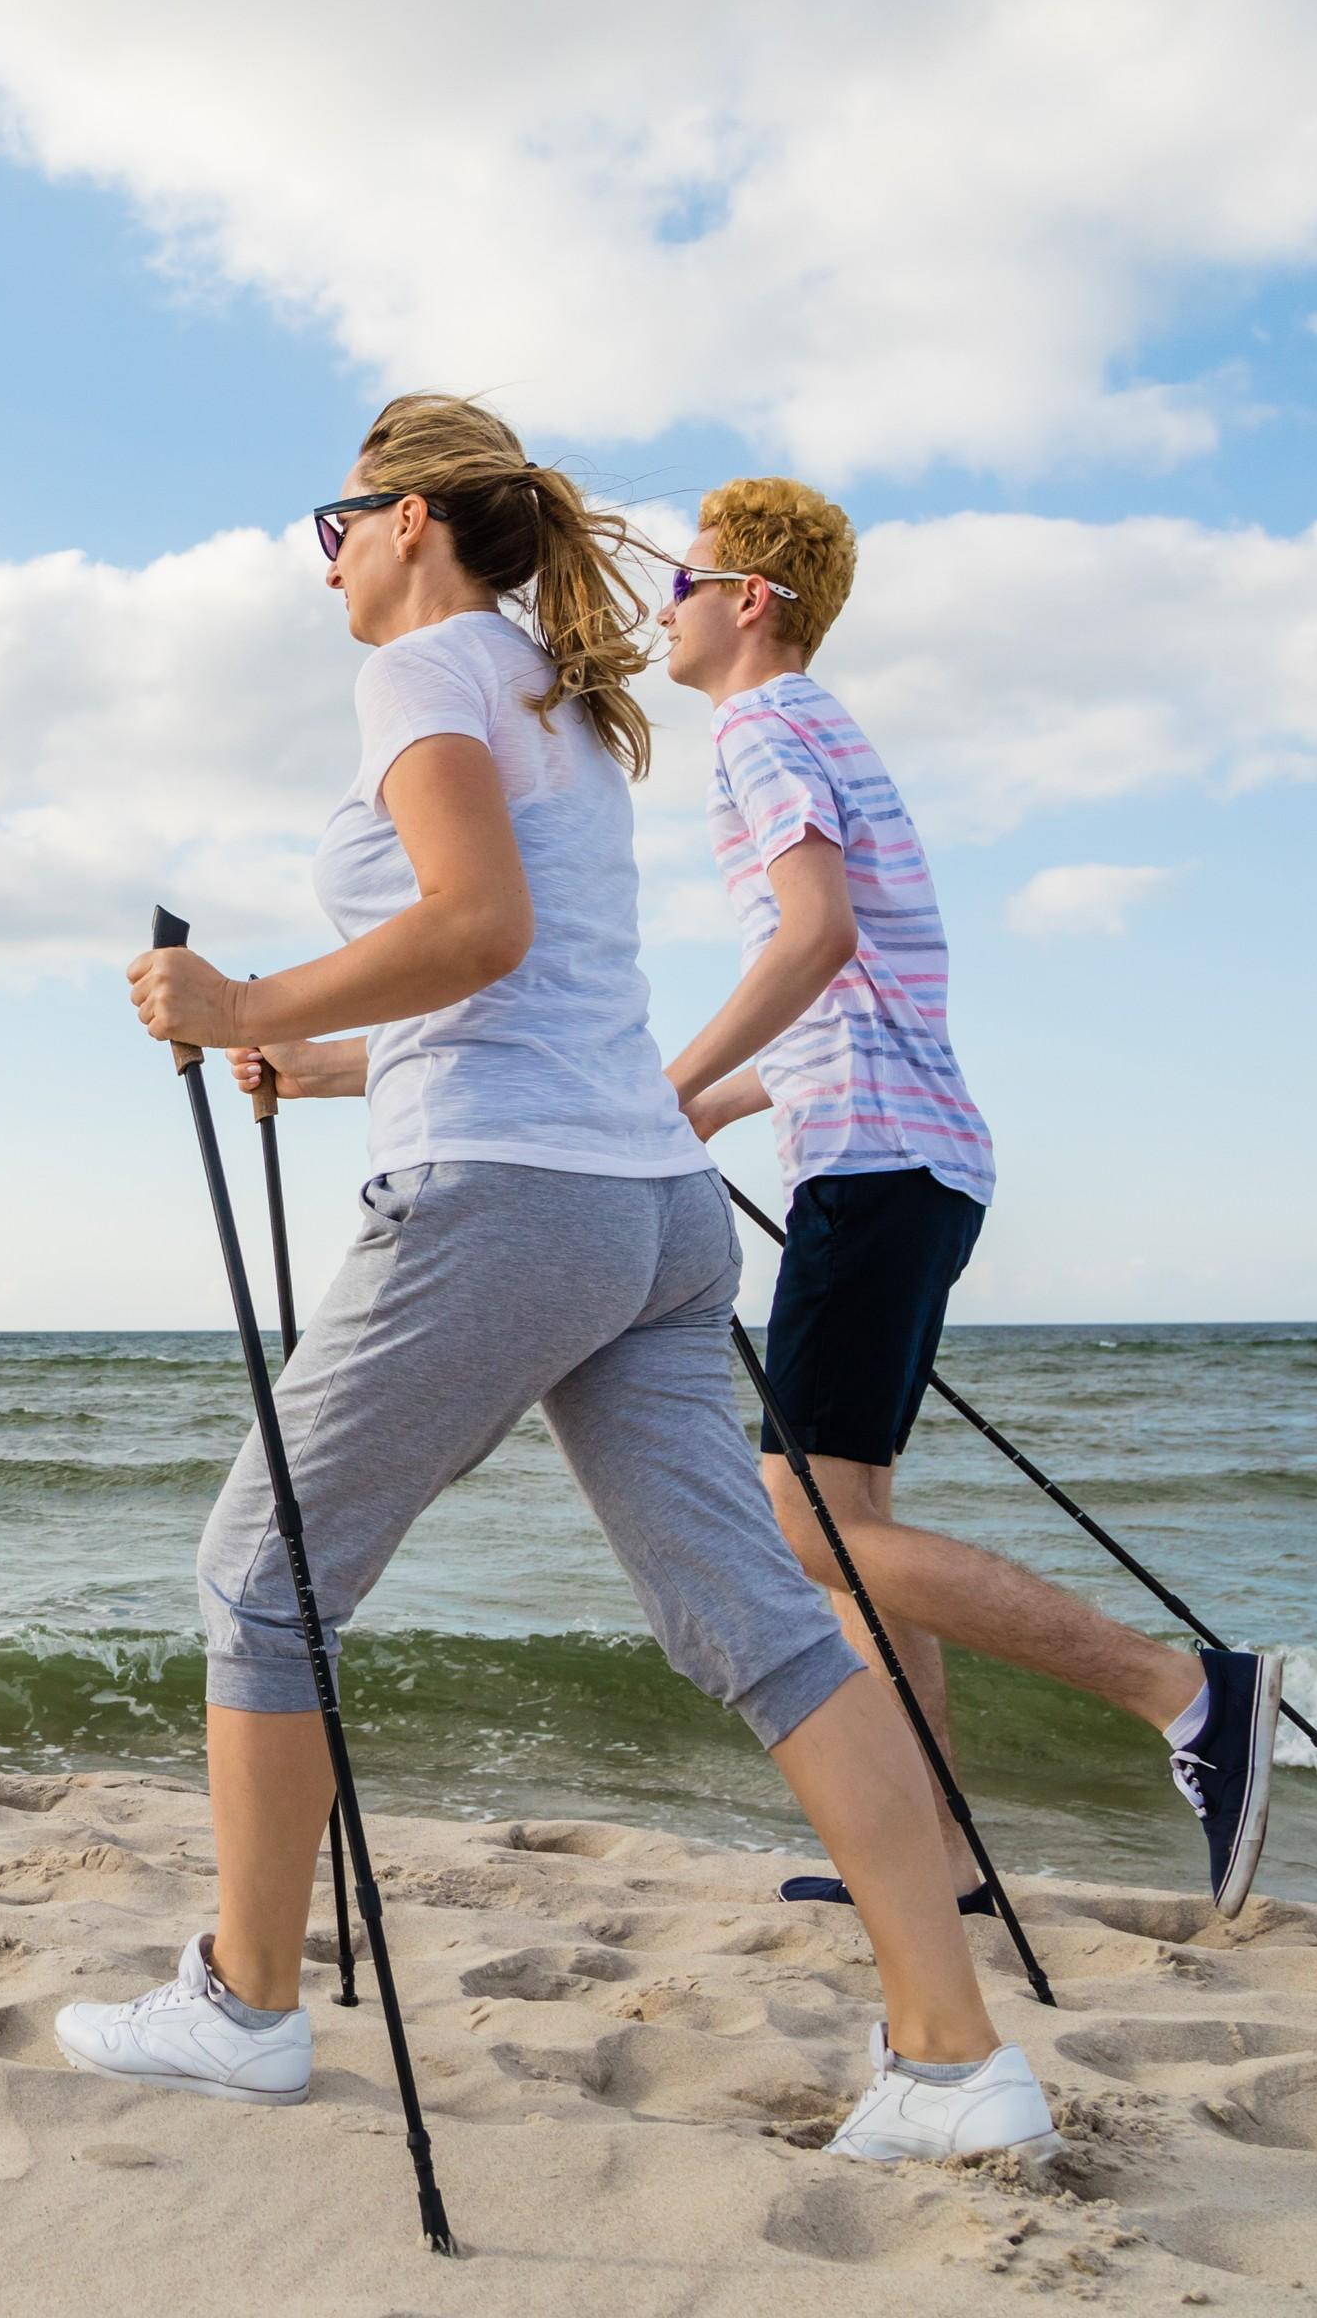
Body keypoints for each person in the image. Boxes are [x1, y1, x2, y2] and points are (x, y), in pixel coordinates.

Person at [63, 394, 1055, 2165]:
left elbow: (478, 930)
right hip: (653, 1209)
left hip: (510, 1198)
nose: (330, 557)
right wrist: (338, 1058)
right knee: (754, 1619)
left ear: (416, 522)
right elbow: (521, 988)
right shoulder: (559, 697)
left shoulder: (429, 675)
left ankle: (246, 2010)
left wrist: (243, 1005)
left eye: (337, 521)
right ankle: (952, 2061)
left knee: (260, 1575)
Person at [652, 476, 1276, 1917]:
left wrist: (665, 1079)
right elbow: (842, 1003)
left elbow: (816, 937)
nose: (659, 608)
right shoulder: (819, 728)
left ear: (750, 601)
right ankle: (935, 1860)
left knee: (804, 1529)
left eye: (682, 583)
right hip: (904, 1152)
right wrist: (714, 1098)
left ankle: (1187, 1695)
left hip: (878, 1167)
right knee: (852, 1521)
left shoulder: (762, 723)